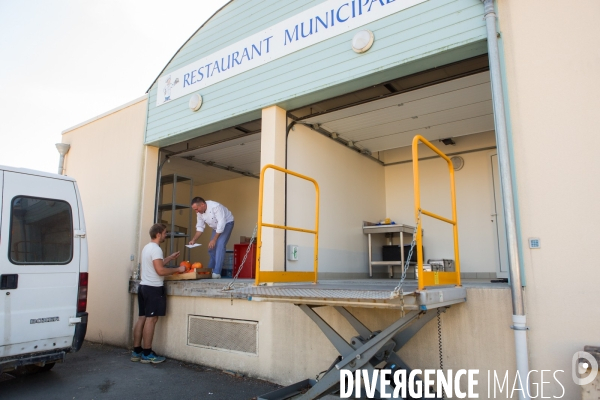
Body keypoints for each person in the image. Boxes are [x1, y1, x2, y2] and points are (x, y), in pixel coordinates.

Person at [131, 223, 184, 364]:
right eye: (165, 233)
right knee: (151, 319)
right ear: (159, 234)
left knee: (142, 318)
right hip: (153, 288)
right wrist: (178, 269)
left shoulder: (147, 247)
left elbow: (156, 264)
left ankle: (136, 351)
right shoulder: (156, 249)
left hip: (143, 287)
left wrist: (170, 258)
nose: (166, 235)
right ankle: (148, 353)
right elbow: (160, 271)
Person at [188, 197, 234, 279]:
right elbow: (200, 227)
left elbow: (221, 223)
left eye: (197, 209)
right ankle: (210, 270)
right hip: (216, 227)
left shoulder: (215, 207)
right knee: (211, 248)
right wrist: (194, 240)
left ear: (202, 204)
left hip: (227, 223)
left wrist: (214, 239)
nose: (196, 211)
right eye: (195, 210)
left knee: (220, 245)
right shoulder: (199, 212)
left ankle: (217, 272)